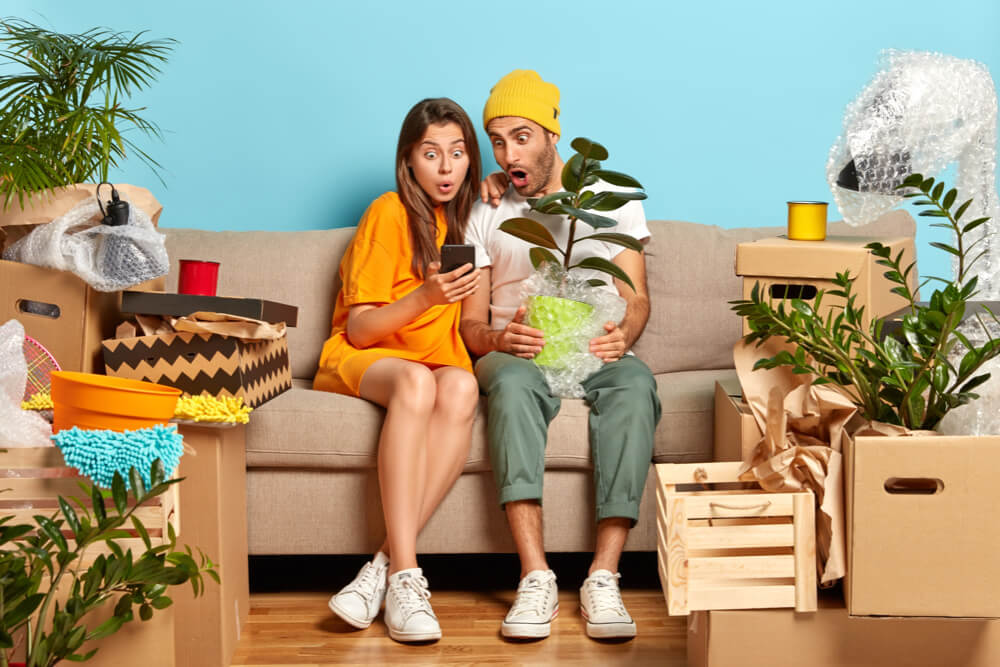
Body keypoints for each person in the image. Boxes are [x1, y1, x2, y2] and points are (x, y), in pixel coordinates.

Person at [460, 70, 662, 641]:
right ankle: (535, 577)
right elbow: (472, 325)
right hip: (519, 353)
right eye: (497, 141)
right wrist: (501, 341)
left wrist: (626, 333)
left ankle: (604, 576)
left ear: (554, 133)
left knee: (636, 385)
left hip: (594, 349)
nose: (508, 152)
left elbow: (637, 298)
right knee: (513, 386)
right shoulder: (488, 209)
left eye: (522, 136)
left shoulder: (612, 200)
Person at [315, 97, 483, 643]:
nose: (445, 167)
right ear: (408, 159)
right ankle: (408, 575)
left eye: (457, 154)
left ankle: (378, 572)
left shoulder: (464, 220)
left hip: (439, 363)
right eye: (431, 154)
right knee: (416, 381)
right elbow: (361, 329)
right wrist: (427, 295)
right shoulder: (388, 210)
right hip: (367, 356)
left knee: (460, 386)